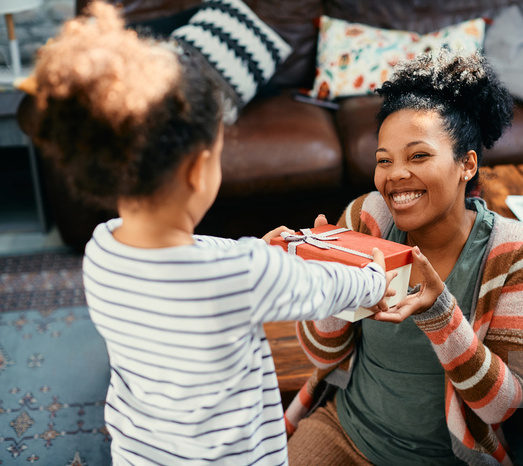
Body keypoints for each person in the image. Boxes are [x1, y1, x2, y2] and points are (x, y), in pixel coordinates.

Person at [23, 3, 395, 464]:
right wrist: (374, 280)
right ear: (200, 170)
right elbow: (321, 288)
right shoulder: (244, 275)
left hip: (144, 451)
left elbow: (192, 258)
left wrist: (252, 250)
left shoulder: (101, 247)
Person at [285, 50, 523, 465]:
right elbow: (324, 357)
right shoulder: (366, 217)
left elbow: (505, 406)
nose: (394, 174)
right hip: (345, 432)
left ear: (466, 164)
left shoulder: (515, 252)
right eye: (384, 160)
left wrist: (440, 312)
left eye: (418, 156)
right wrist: (327, 287)